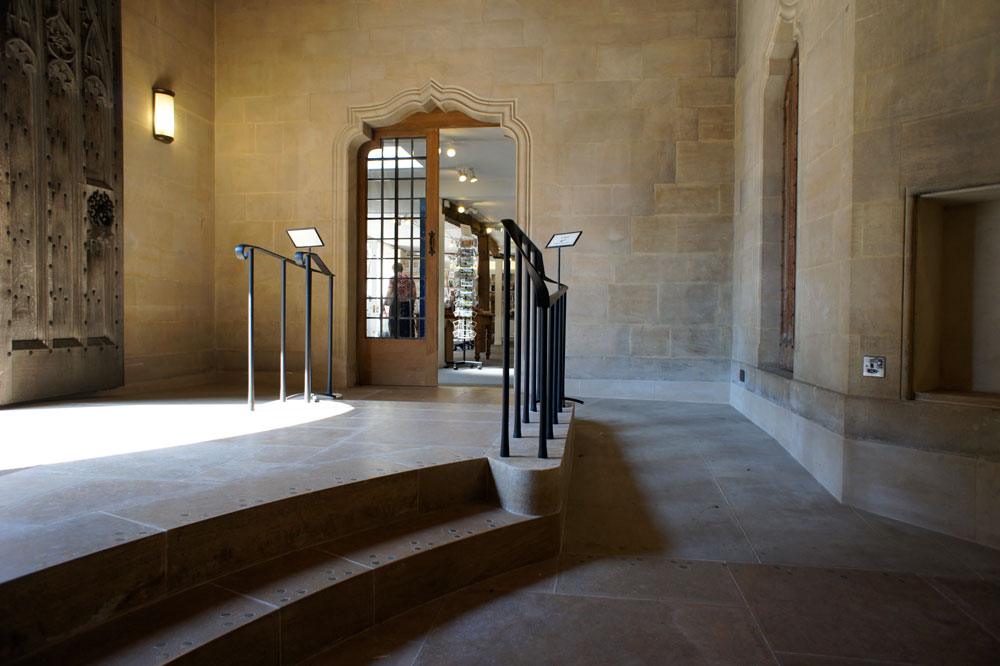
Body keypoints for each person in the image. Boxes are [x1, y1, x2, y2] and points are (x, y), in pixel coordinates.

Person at [385, 261, 416, 337]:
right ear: (402, 269)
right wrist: (412, 304)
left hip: (395, 305)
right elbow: (414, 293)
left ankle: (395, 342)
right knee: (407, 326)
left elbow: (389, 291)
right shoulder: (409, 279)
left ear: (393, 270)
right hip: (406, 304)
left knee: (394, 326)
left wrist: (385, 302)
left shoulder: (392, 279)